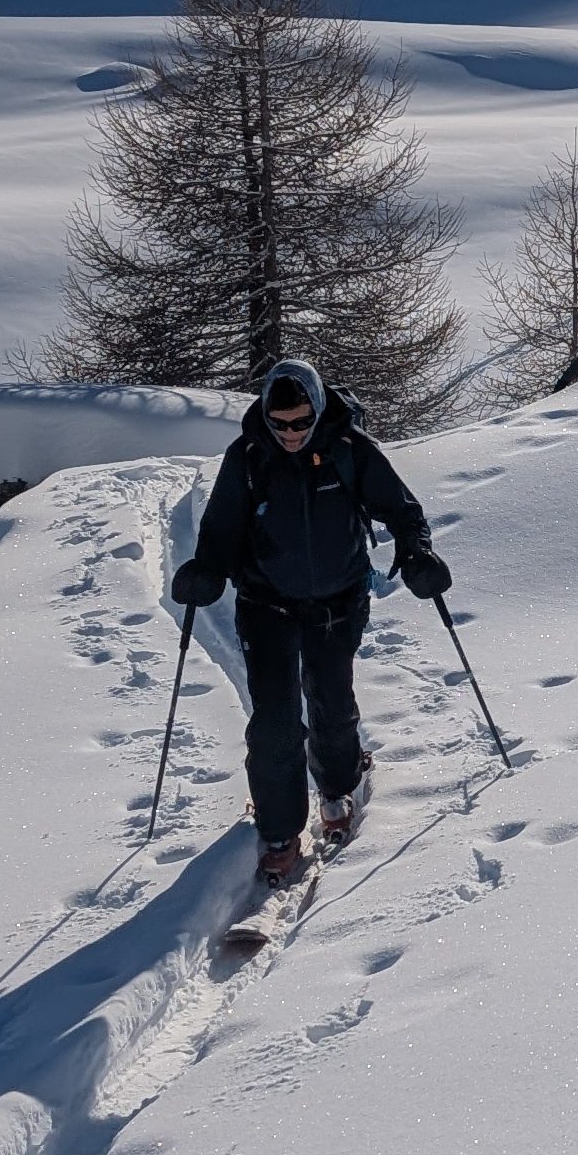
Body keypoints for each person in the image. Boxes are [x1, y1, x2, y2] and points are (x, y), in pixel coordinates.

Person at [170, 358, 451, 884]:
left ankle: (339, 783)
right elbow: (221, 528)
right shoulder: (249, 457)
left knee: (331, 700)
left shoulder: (349, 449)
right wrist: (206, 571)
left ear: (318, 409)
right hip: (266, 605)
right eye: (281, 425)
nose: (292, 434)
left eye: (301, 422)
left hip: (338, 602)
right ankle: (279, 832)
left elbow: (403, 510)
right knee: (275, 721)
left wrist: (416, 554)